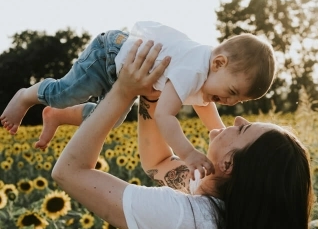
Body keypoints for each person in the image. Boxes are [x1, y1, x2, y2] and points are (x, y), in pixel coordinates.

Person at [52, 40, 315, 229]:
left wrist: (123, 90)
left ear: (229, 164)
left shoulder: (184, 221)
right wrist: (154, 94)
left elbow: (69, 171)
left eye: (243, 132)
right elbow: (158, 163)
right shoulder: (234, 218)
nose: (238, 119)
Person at [1, 21, 276, 179]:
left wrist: (221, 133)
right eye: (232, 91)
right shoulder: (193, 68)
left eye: (238, 99)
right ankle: (25, 96)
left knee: (112, 118)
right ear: (218, 62)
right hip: (109, 54)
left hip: (125, 74)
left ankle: (57, 116)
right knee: (64, 94)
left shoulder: (207, 77)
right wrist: (190, 154)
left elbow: (207, 111)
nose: (230, 102)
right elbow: (164, 116)